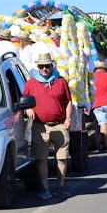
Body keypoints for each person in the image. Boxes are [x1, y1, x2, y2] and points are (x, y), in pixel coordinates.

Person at [25, 52, 74, 198]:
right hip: (40, 126)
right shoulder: (31, 82)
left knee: (62, 158)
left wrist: (68, 119)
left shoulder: (61, 81)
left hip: (59, 124)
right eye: (41, 66)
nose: (44, 69)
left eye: (47, 66)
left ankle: (60, 186)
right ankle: (45, 189)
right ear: (38, 67)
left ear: (52, 65)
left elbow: (68, 102)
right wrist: (28, 108)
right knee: (41, 159)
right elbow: (25, 99)